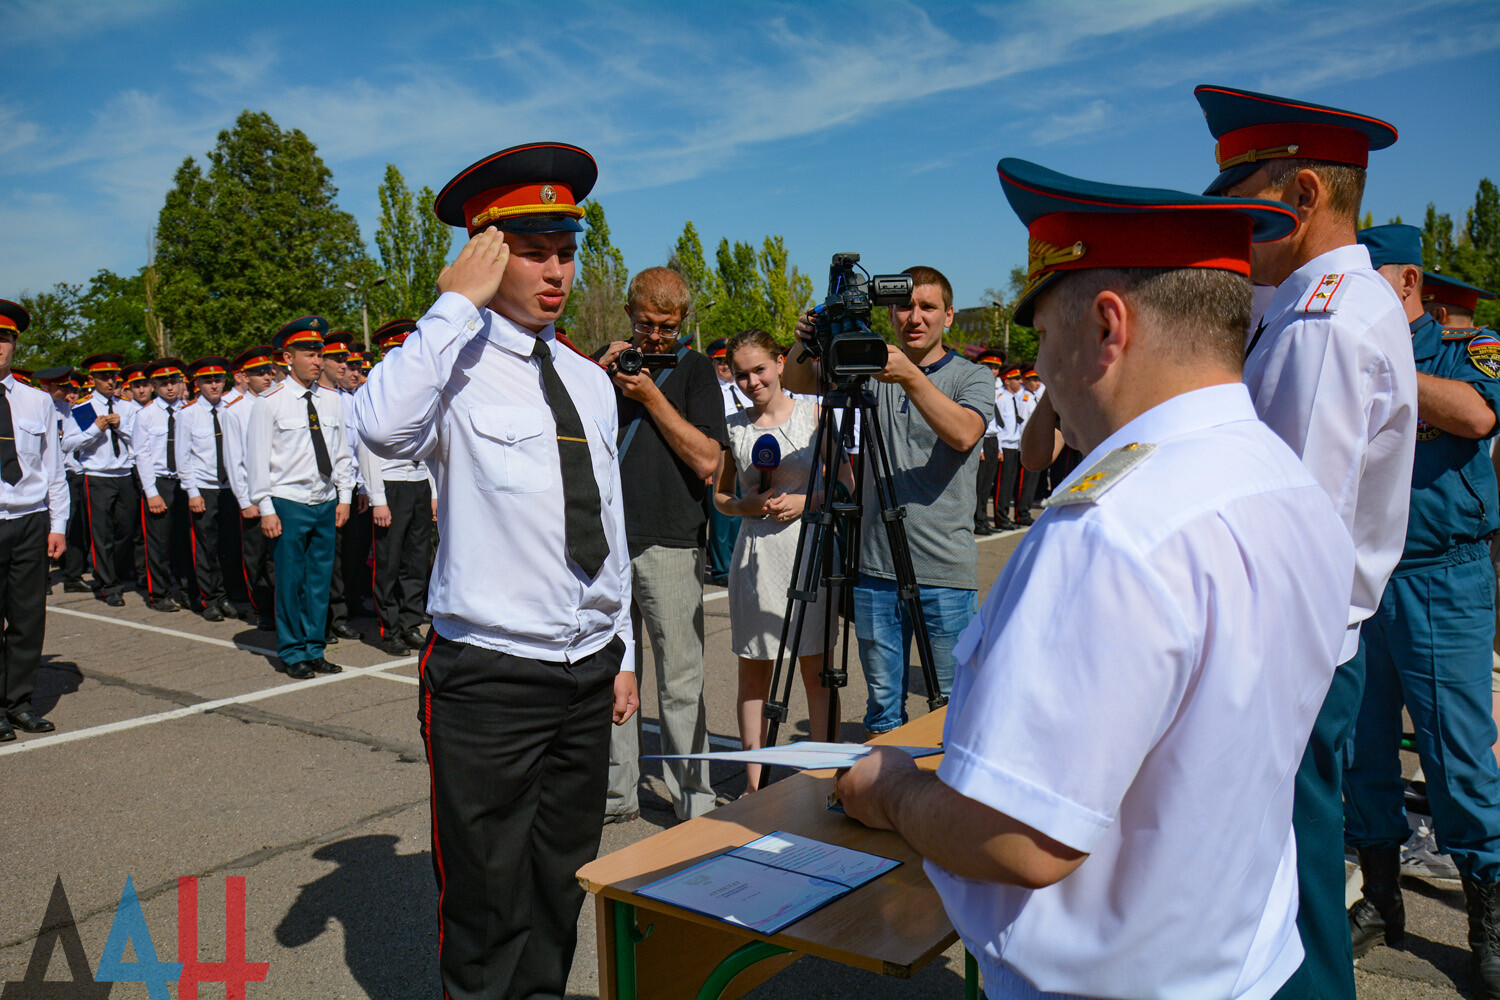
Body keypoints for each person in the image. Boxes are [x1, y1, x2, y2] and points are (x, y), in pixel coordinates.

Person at [837, 157, 1350, 1000]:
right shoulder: (1284, 478)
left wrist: (891, 792)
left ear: (1107, 328)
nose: (1039, 370)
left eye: (1043, 338)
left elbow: (1021, 838)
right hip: (1241, 961)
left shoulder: (1112, 526)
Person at [353, 141, 638, 1000]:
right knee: (484, 899)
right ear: (485, 251)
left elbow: (606, 521)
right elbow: (379, 427)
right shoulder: (450, 366)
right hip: (492, 675)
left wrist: (620, 649)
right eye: (532, 250)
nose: (557, 271)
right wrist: (450, 307)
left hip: (585, 671)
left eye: (566, 251)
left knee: (559, 881)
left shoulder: (587, 380)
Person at [1195, 83, 1416, 1000]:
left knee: (1286, 902)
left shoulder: (1324, 324)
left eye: (1244, 202)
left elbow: (1292, 535)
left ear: (1300, 197)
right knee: (1292, 883)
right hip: (1311, 651)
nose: (1232, 228)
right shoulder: (1313, 308)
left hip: (1291, 655)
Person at [1343, 226, 1500, 989]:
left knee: (1458, 757)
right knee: (1363, 750)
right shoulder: (1339, 358)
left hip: (1442, 577)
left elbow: (1473, 417)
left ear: (1406, 283)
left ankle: (1488, 918)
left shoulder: (1466, 349)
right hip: (1360, 581)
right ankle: (1380, 897)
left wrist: (1381, 358)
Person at [785, 266, 992, 736]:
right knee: (882, 706)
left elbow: (963, 433)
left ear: (949, 315)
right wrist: (806, 342)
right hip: (875, 569)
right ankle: (883, 801)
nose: (914, 317)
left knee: (953, 707)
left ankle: (944, 805)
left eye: (928, 307)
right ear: (891, 313)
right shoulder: (872, 367)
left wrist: (908, 376)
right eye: (904, 307)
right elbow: (798, 381)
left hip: (944, 570)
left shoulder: (971, 375)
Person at [596, 266, 726, 824]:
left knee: (680, 679)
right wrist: (594, 375)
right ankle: (614, 796)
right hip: (603, 544)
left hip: (671, 541)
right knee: (612, 676)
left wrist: (649, 394)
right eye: (647, 325)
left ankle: (693, 800)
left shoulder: (695, 371)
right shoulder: (603, 365)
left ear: (684, 323)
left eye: (667, 328)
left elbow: (707, 459)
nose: (654, 338)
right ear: (628, 314)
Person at [713, 327, 838, 793]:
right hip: (755, 556)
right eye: (742, 375)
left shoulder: (816, 415)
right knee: (754, 669)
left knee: (816, 671)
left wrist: (806, 501)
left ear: (781, 363)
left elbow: (843, 485)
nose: (752, 382)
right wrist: (744, 506)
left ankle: (823, 778)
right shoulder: (733, 426)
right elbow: (722, 497)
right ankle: (753, 784)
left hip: (806, 551)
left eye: (760, 369)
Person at [246, 317, 355, 679]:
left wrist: (344, 496)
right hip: (288, 502)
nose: (317, 360)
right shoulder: (270, 402)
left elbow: (341, 453)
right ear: (287, 358)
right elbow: (257, 459)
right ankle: (292, 652)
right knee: (291, 580)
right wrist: (265, 508)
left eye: (319, 353)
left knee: (320, 579)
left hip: (324, 500)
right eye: (309, 353)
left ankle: (315, 647)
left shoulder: (331, 400)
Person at [0, 302, 68, 740]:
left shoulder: (37, 399)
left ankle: (18, 704)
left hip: (29, 520)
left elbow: (53, 467)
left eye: (4, 339)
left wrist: (57, 523)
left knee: (28, 619)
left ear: (14, 345)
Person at [361, 319, 434, 657]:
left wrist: (432, 491)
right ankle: (388, 629)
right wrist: (377, 498)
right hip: (389, 486)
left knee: (416, 559)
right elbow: (367, 449)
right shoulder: (375, 389)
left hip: (418, 482)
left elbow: (430, 446)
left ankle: (409, 623)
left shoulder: (420, 391)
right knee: (388, 562)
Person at [64, 354, 138, 607]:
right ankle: (109, 585)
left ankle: (111, 569)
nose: (109, 381)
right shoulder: (84, 408)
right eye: (104, 377)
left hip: (124, 474)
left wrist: (122, 428)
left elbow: (141, 442)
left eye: (113, 377)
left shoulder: (127, 407)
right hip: (97, 476)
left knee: (126, 529)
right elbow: (69, 444)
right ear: (92, 379)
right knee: (102, 531)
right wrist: (95, 429)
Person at [178, 356, 243, 623]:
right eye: (208, 380)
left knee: (229, 544)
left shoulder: (231, 410)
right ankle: (209, 598)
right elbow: (183, 456)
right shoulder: (188, 414)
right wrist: (191, 492)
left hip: (229, 486)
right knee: (205, 546)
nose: (214, 385)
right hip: (204, 487)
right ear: (198, 384)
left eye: (218, 379)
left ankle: (225, 594)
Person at [222, 345, 277, 630]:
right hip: (254, 495)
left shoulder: (275, 400)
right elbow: (235, 460)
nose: (266, 377)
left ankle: (279, 606)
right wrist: (245, 500)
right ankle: (261, 608)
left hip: (279, 489)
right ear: (244, 377)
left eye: (268, 371)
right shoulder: (235, 411)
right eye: (258, 373)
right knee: (256, 556)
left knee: (278, 557)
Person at [316, 331, 365, 645]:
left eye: (345, 360)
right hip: (323, 489)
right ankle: (329, 618)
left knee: (351, 555)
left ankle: (345, 609)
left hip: (350, 488)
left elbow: (356, 448)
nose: (344, 366)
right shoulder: (315, 400)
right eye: (337, 359)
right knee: (327, 560)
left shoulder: (347, 401)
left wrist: (359, 489)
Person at [134, 357, 192, 612]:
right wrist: (151, 492)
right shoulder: (145, 415)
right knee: (158, 541)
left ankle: (189, 589)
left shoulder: (189, 411)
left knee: (186, 539)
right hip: (160, 481)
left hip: (186, 480)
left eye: (174, 381)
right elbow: (142, 455)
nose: (170, 387)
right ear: (154, 385)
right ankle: (159, 592)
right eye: (163, 383)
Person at [705, 336, 750, 585]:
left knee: (741, 514)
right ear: (712, 363)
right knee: (721, 520)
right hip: (721, 456)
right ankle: (722, 569)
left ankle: (737, 564)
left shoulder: (746, 389)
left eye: (727, 361)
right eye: (720, 361)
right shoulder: (710, 391)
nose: (724, 366)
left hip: (745, 457)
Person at [973, 351, 1004, 534]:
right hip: (981, 438)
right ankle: (977, 520)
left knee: (987, 484)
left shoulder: (997, 388)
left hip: (993, 440)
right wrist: (979, 448)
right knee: (978, 483)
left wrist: (997, 447)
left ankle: (983, 519)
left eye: (995, 368)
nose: (993, 371)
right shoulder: (977, 386)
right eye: (989, 367)